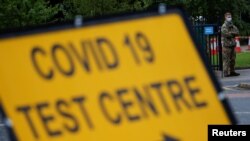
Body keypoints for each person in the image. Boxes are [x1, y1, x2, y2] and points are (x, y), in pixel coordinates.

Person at [221, 12, 240, 77]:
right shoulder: (224, 26)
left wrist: (231, 33)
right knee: (226, 60)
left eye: (230, 16)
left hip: (232, 45)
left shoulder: (232, 25)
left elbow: (237, 32)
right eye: (228, 17)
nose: (230, 18)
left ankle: (232, 71)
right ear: (225, 17)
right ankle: (225, 72)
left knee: (233, 59)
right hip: (226, 46)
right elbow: (226, 34)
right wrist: (232, 34)